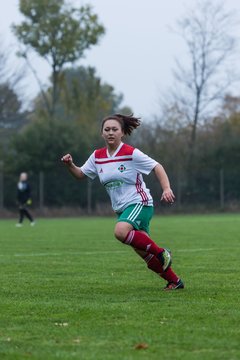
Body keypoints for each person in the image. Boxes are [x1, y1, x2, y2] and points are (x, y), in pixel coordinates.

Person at [61, 113, 184, 290]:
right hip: (122, 209)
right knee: (145, 255)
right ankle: (175, 281)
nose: (110, 132)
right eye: (107, 129)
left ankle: (162, 252)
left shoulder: (131, 153)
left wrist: (166, 188)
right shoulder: (97, 156)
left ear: (122, 133)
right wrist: (70, 165)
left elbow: (157, 166)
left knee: (120, 232)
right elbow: (81, 174)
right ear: (102, 133)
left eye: (114, 129)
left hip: (139, 203)